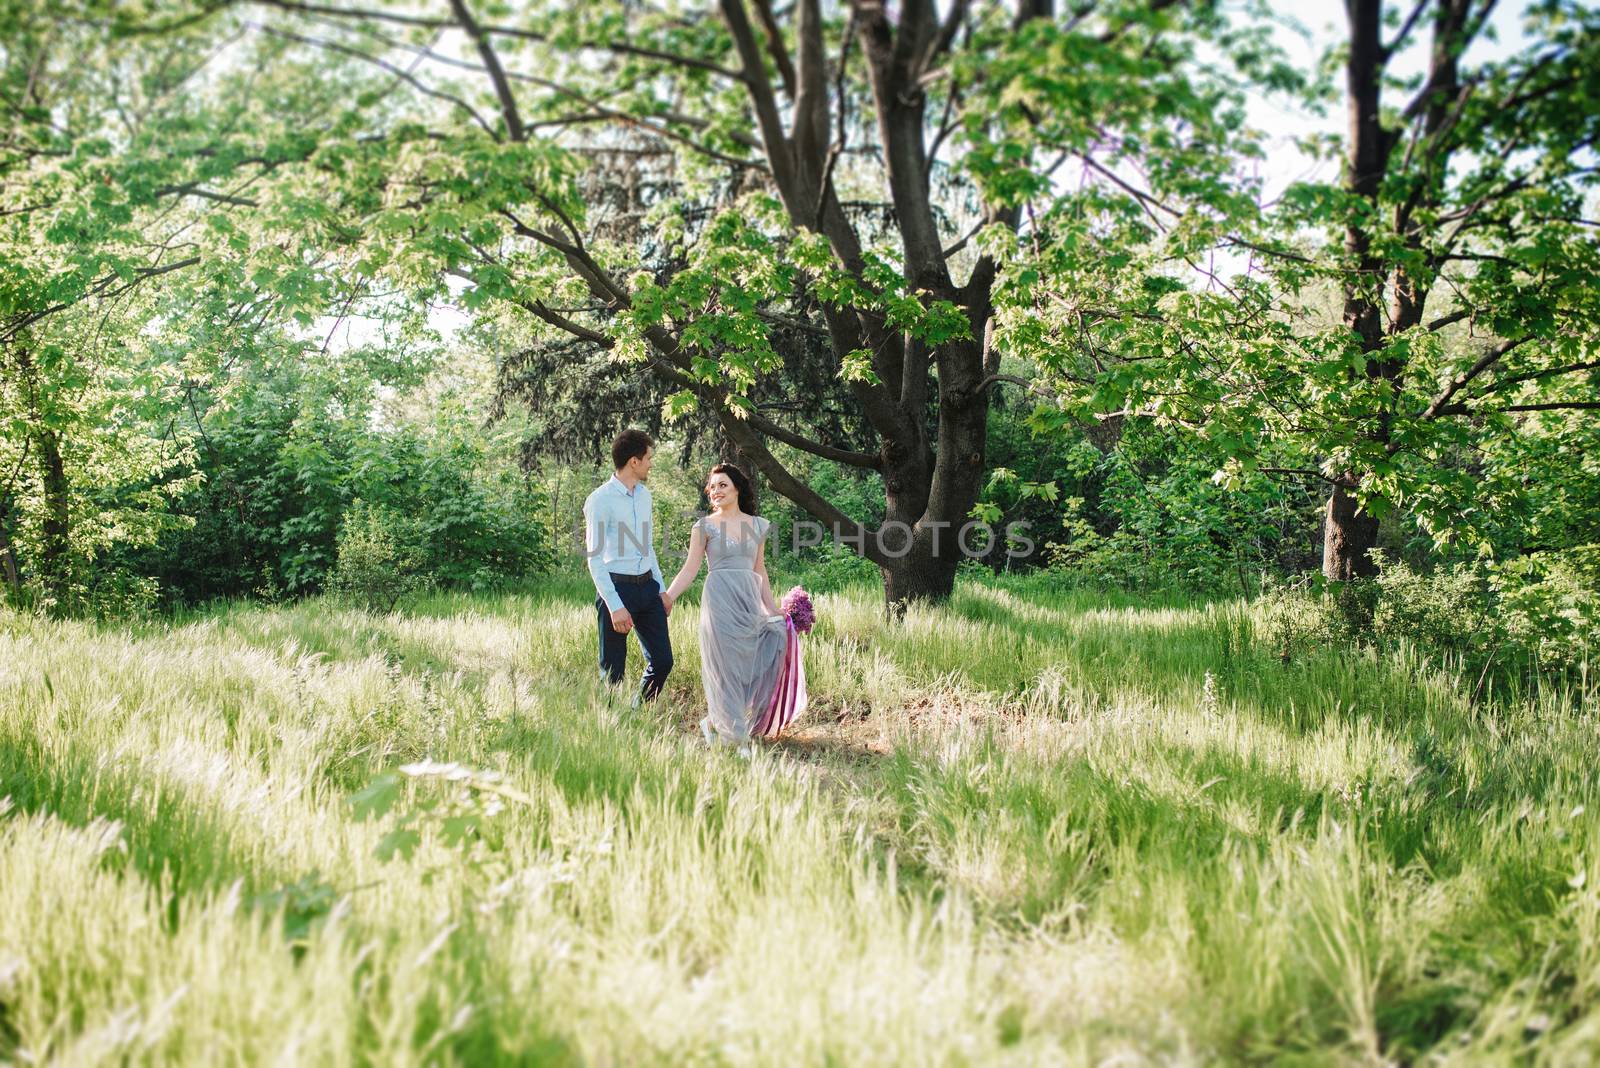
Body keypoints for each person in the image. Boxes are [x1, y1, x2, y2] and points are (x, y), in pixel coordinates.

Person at [664, 462, 798, 756]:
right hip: (720, 601)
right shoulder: (703, 527)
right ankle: (738, 739)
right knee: (725, 668)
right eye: (712, 487)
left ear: (737, 487)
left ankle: (714, 721)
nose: (715, 491)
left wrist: (772, 607)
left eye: (722, 485)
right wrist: (669, 597)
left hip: (748, 600)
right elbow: (691, 568)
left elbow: (759, 569)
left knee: (760, 653)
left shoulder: (758, 525)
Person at [584, 429, 673, 704]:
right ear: (634, 461)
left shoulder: (645, 496)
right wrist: (614, 605)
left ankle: (637, 709)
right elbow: (594, 558)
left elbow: (647, 546)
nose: (651, 463)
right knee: (612, 673)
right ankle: (611, 728)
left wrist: (661, 589)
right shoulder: (600, 500)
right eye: (648, 458)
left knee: (663, 661)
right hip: (617, 588)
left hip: (648, 588)